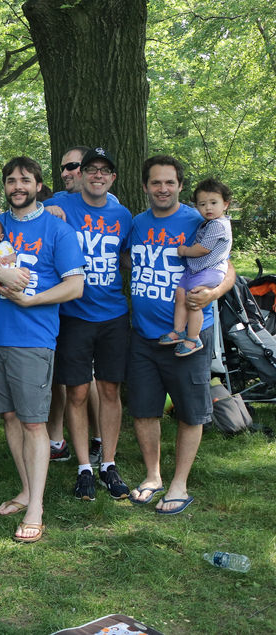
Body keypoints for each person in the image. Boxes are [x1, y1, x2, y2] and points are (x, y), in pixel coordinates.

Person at [0, 157, 84, 543]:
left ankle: (36, 507)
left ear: (39, 185)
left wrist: (29, 301)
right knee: (9, 418)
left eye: (25, 179)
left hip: (33, 339)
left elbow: (75, 287)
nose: (17, 185)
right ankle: (25, 489)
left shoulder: (57, 229)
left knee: (35, 423)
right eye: (10, 180)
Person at [126, 156, 235, 513]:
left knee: (190, 413)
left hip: (190, 336)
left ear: (180, 186)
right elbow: (127, 257)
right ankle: (153, 476)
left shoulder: (199, 219)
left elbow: (228, 266)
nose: (162, 189)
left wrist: (215, 293)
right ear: (145, 187)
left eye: (169, 182)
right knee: (144, 411)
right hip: (144, 336)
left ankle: (179, 484)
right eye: (155, 183)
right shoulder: (137, 222)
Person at [43, 147, 133, 502]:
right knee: (77, 392)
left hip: (113, 314)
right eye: (91, 169)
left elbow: (127, 255)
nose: (97, 175)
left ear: (112, 178)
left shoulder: (123, 214)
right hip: (74, 314)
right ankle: (84, 468)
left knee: (109, 390)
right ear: (80, 174)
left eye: (104, 171)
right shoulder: (59, 207)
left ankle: (108, 463)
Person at [160, 177, 233, 358]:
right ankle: (178, 331)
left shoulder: (218, 225)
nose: (208, 208)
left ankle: (193, 339)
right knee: (180, 294)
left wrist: (184, 250)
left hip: (210, 271)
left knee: (193, 300)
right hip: (195, 270)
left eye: (213, 203)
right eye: (202, 204)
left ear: (225, 204)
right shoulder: (207, 223)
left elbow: (203, 249)